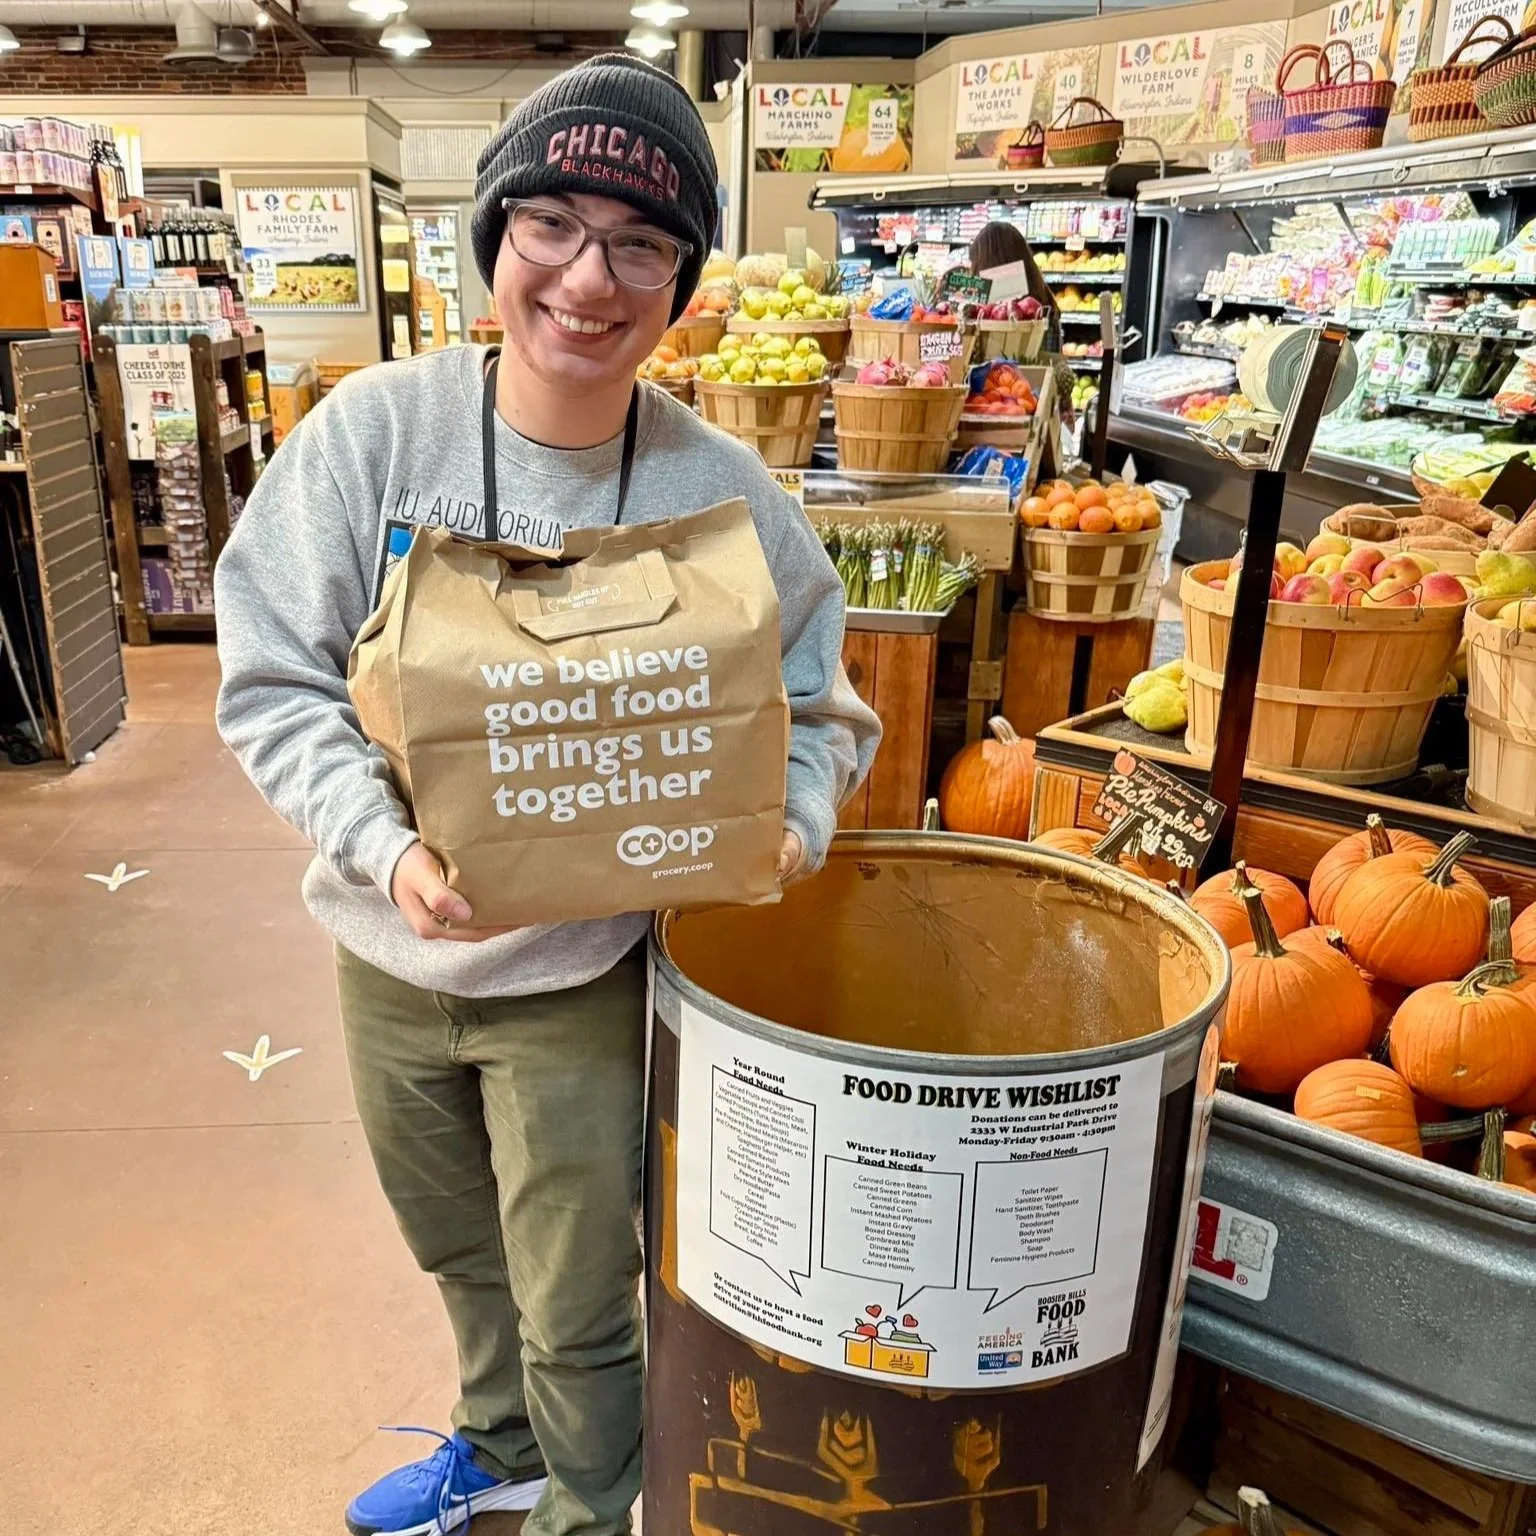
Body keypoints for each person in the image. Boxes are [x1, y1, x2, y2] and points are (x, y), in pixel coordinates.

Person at [214, 54, 879, 1536]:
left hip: (579, 974)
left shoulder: (721, 492)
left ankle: (591, 1503)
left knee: (578, 1289)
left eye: (641, 244)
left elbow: (824, 703)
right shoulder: (374, 438)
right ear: (496, 238)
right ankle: (498, 1445)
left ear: (681, 283)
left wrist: (788, 821)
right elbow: (271, 675)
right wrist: (380, 847)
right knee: (457, 1247)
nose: (589, 279)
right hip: (386, 955)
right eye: (555, 225)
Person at [968, 220, 1078, 418]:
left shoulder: (978, 313)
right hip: (1034, 405)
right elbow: (1051, 365)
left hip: (988, 404)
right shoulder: (1044, 306)